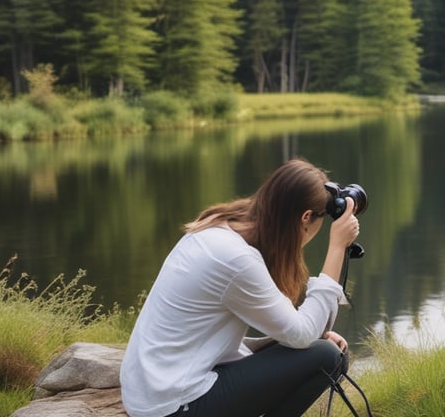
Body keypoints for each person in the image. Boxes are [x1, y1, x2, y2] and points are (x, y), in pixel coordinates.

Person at [120, 158, 361, 417]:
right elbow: (301, 334)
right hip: (172, 407)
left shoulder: (217, 228)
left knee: (323, 348)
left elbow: (207, 338)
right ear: (305, 218)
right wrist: (337, 247)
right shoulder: (236, 260)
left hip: (151, 392)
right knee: (327, 357)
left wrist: (303, 336)